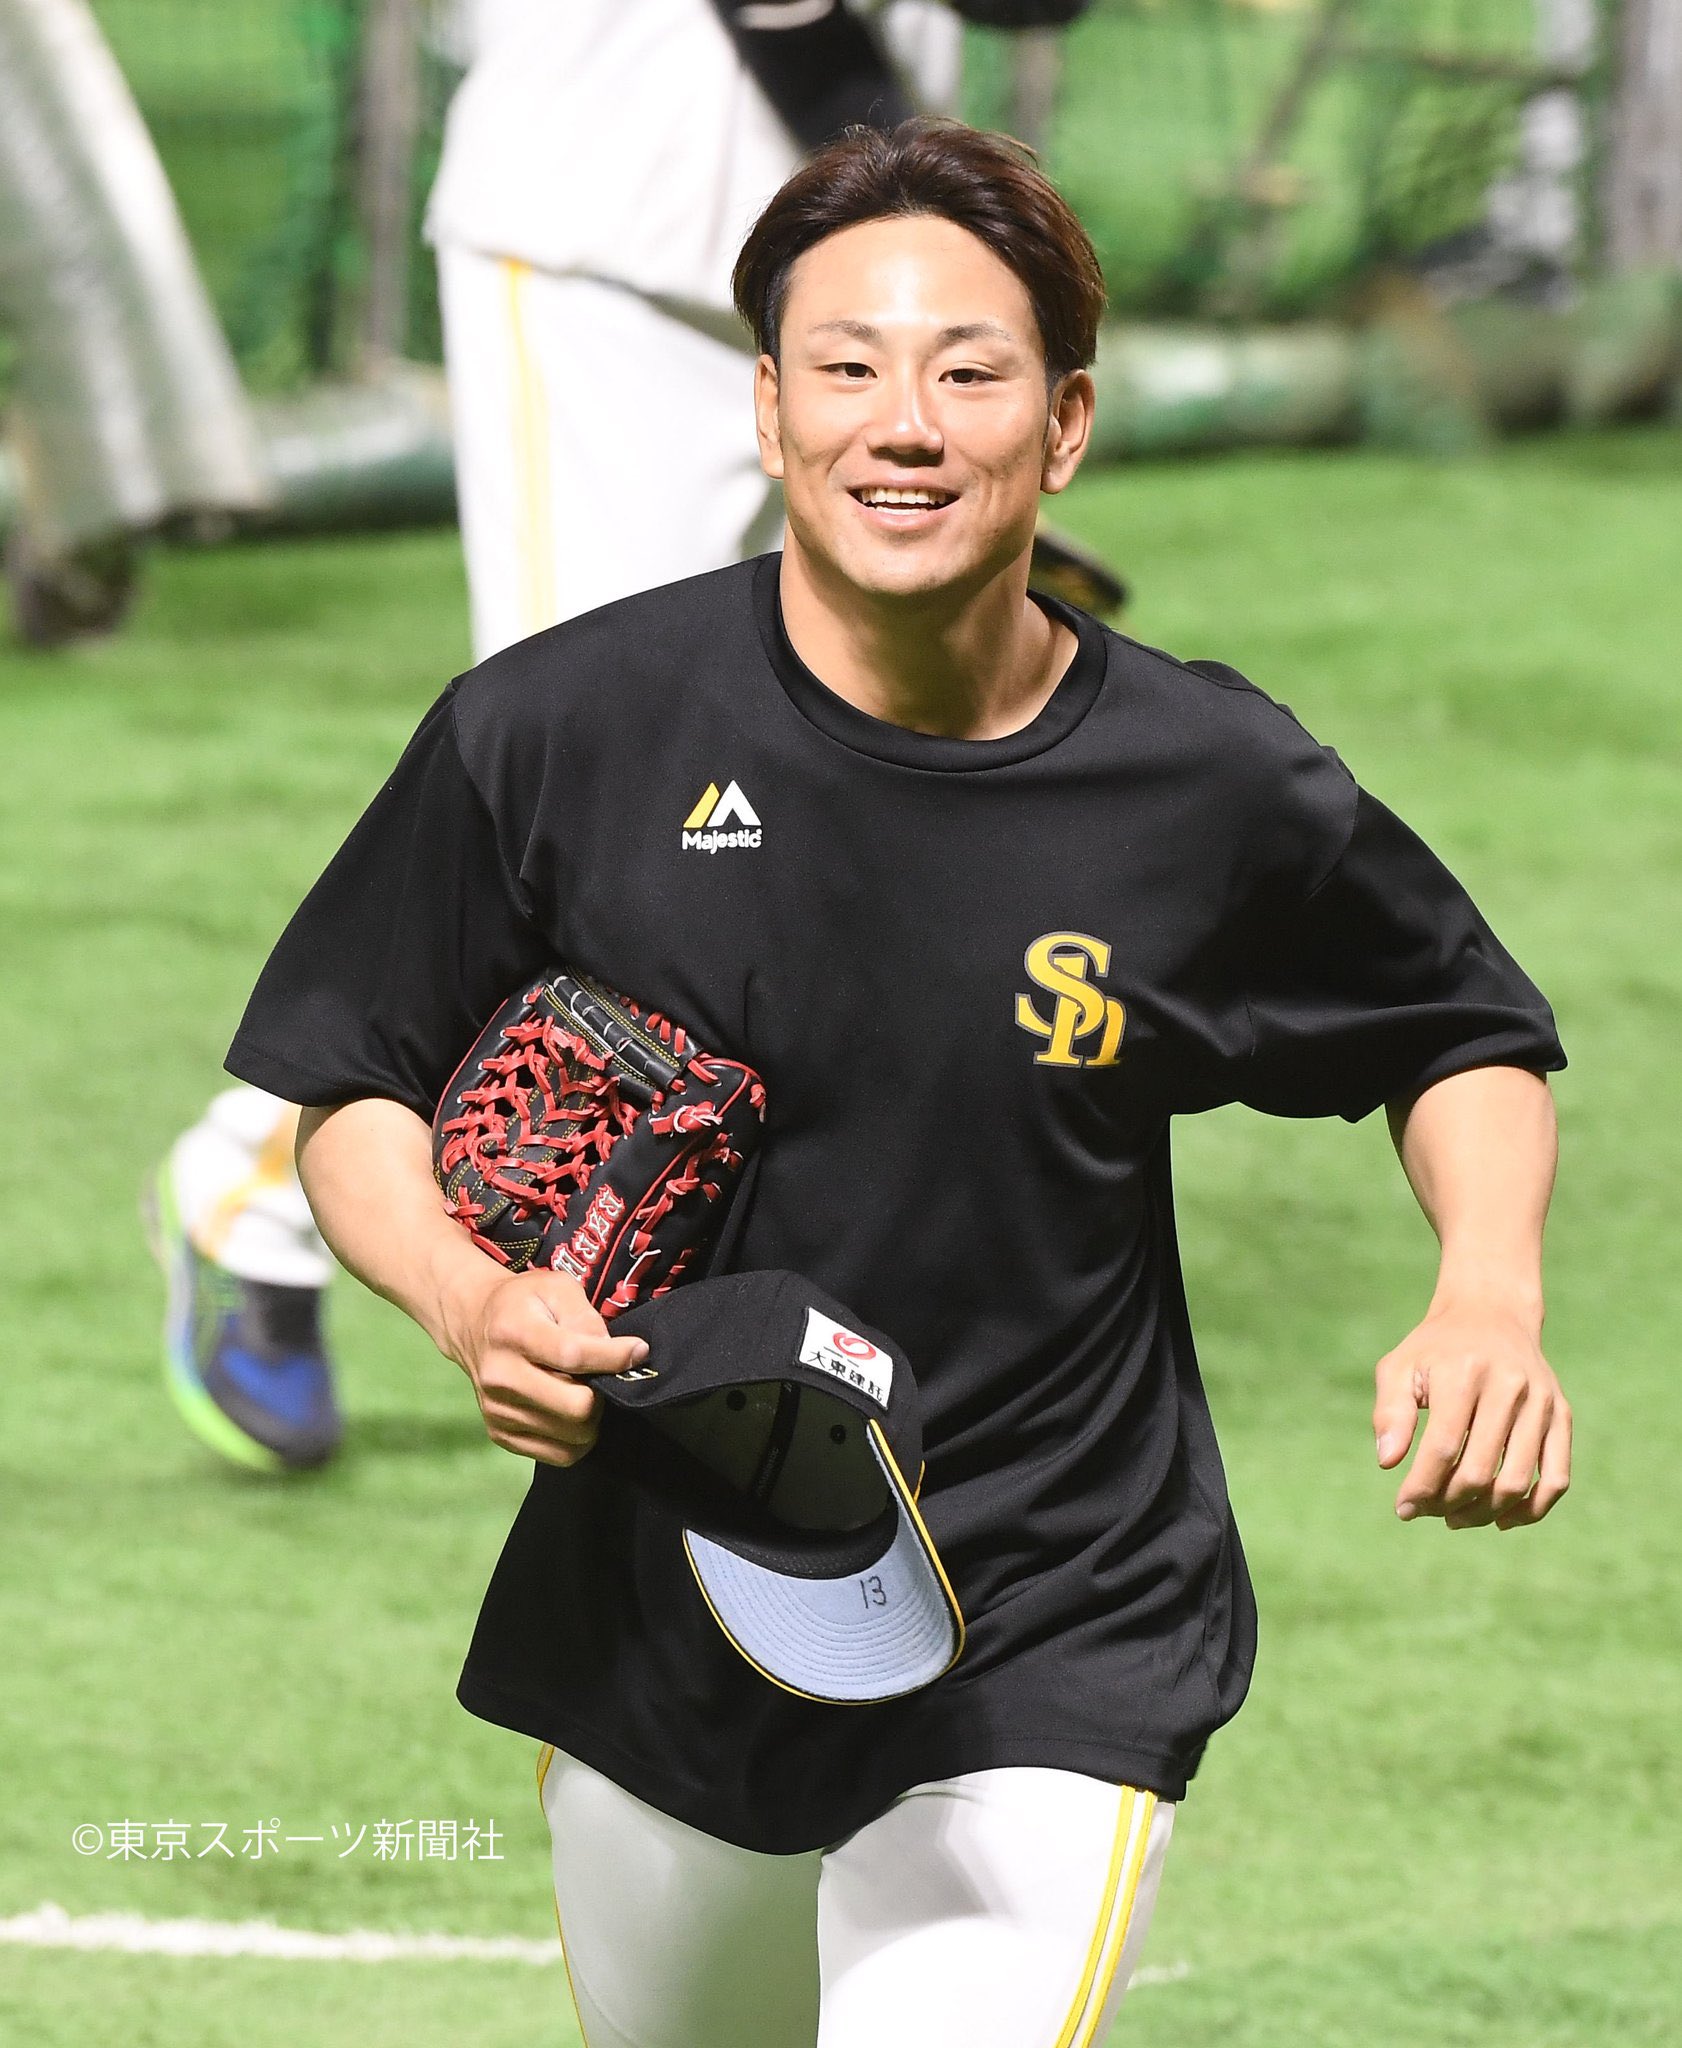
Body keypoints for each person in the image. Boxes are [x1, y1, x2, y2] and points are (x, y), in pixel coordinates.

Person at [221, 121, 1570, 2044]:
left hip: (1054, 1606)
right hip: (663, 1602)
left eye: (968, 373)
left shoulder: (1206, 786)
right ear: (769, 411)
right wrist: (461, 1297)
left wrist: (1486, 1294)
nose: (905, 426)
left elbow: (1454, 1028)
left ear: (1067, 425)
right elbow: (347, 1079)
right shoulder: (562, 728)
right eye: (847, 367)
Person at [148, 0, 961, 1473]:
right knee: (594, 806)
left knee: (794, 796)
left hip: (839, 276)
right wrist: (929, 207)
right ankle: (263, 1181)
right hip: (610, 226)